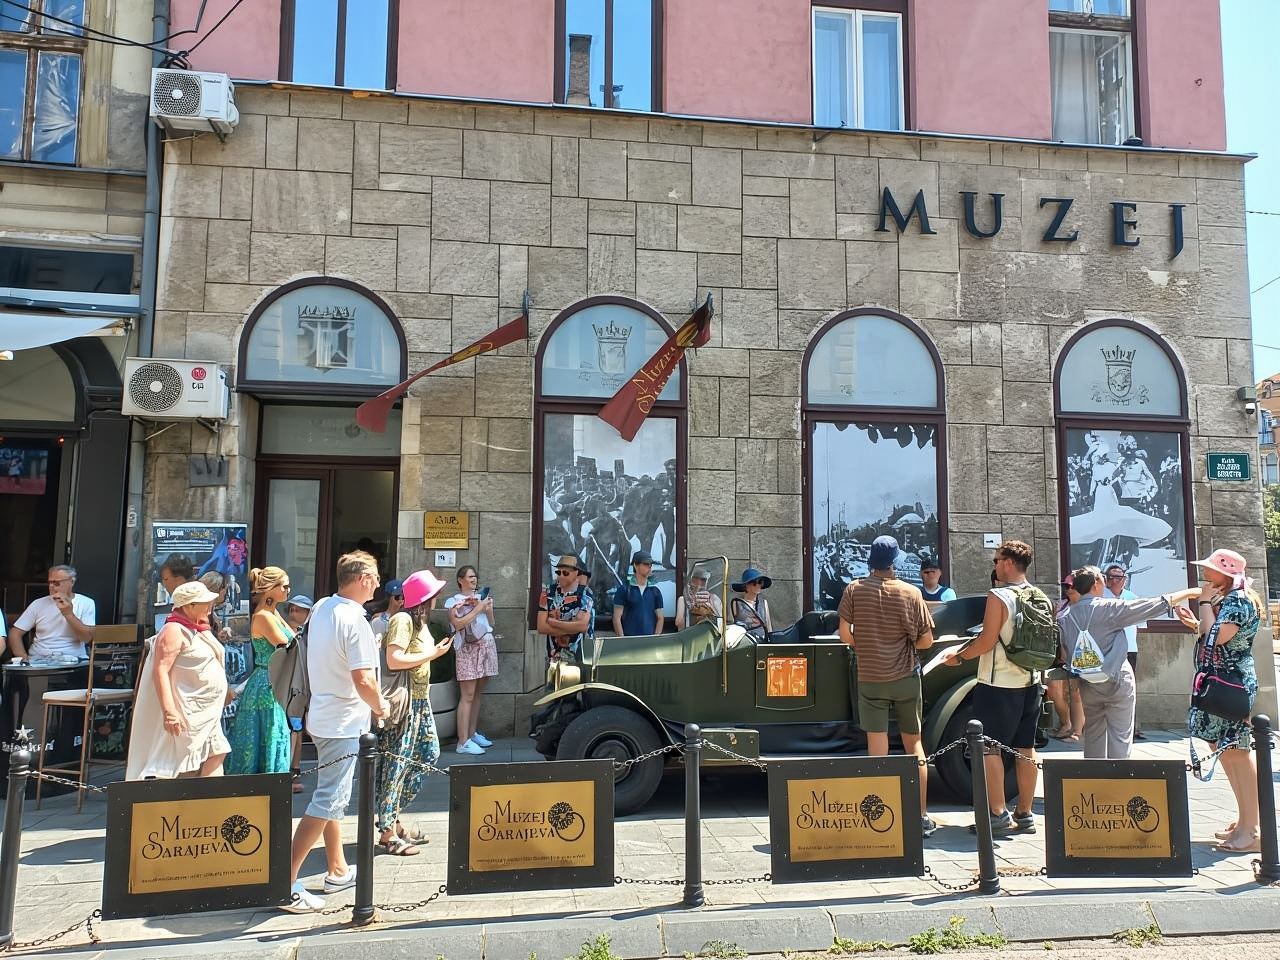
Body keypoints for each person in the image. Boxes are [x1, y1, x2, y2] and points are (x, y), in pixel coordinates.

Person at [285, 550, 388, 913]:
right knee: (328, 798)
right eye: (374, 576)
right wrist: (380, 705)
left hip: (324, 715)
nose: (377, 582)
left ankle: (337, 868)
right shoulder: (355, 621)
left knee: (331, 795)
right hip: (344, 719)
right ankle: (286, 881)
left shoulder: (323, 607)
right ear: (361, 579)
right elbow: (363, 679)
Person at [837, 536, 937, 836]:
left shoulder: (854, 590)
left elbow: (844, 634)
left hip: (871, 678)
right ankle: (920, 817)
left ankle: (878, 815)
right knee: (914, 746)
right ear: (894, 561)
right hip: (905, 677)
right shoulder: (911, 592)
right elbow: (926, 640)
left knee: (877, 749)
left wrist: (866, 645)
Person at [945, 541, 1043, 836]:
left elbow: (987, 641)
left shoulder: (998, 596)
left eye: (998, 560)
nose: (995, 565)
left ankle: (997, 815)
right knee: (1026, 747)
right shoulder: (1039, 596)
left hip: (999, 682)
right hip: (1032, 681)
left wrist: (958, 656)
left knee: (989, 747)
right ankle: (1025, 814)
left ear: (1010, 563)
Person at [1176, 548, 1264, 853]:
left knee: (1236, 752)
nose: (1205, 573)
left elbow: (1219, 636)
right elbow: (1212, 633)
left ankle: (1252, 830)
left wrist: (1202, 602)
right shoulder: (1229, 599)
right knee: (1225, 750)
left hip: (1230, 683)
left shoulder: (1238, 600)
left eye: (1210, 569)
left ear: (1226, 574)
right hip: (1222, 682)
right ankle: (1244, 822)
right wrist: (1196, 619)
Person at [1060, 566, 1197, 760]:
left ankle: (1093, 781)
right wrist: (1191, 592)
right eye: (1103, 579)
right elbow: (1152, 605)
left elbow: (1064, 652)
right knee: (1120, 736)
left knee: (1093, 734)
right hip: (1116, 678)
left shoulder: (1066, 616)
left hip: (1087, 681)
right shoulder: (1109, 608)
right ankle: (1118, 781)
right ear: (1096, 584)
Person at [376, 569, 453, 855]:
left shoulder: (420, 623)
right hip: (405, 703)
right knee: (396, 763)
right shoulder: (402, 620)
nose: (438, 598)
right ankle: (388, 830)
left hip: (420, 700)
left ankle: (392, 817)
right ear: (425, 598)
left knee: (427, 754)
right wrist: (433, 655)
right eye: (434, 594)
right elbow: (394, 660)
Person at [127, 581, 230, 780]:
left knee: (216, 753)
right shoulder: (173, 630)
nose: (210, 606)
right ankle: (185, 807)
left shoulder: (199, 629)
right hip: (188, 708)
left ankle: (213, 804)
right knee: (188, 762)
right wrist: (169, 712)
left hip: (206, 710)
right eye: (205, 602)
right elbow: (161, 670)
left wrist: (225, 691)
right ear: (189, 605)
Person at [226, 567, 294, 776]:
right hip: (266, 682)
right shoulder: (263, 616)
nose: (287, 590)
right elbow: (286, 645)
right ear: (270, 588)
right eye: (284, 586)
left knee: (276, 731)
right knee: (270, 731)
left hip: (274, 680)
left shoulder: (273, 614)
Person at [445, 566, 500, 756]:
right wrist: (478, 607)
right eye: (469, 577)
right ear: (460, 580)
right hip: (467, 649)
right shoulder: (453, 602)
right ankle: (462, 741)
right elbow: (458, 624)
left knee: (477, 693)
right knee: (467, 695)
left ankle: (471, 732)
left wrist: (488, 608)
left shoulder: (481, 599)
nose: (473, 580)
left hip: (486, 645)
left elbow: (491, 623)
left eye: (475, 576)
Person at [8, 564, 95, 661]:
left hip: (74, 659)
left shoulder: (86, 602)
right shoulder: (38, 604)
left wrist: (68, 614)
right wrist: (23, 658)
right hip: (39, 659)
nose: (51, 586)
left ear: (72, 582)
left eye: (56, 583)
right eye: (49, 583)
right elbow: (15, 633)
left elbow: (87, 638)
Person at [1103, 564, 1146, 739]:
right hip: (1106, 649)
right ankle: (1106, 726)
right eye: (1111, 577)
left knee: (1128, 688)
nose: (1114, 581)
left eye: (1118, 577)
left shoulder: (1132, 598)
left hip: (1129, 649)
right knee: (1105, 688)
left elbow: (1141, 624)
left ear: (1124, 580)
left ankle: (1131, 727)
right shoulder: (1101, 597)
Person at [1046, 576, 1086, 742]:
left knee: (1076, 693)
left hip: (1078, 653)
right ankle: (1066, 723)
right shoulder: (1062, 604)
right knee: (1054, 691)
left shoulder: (1085, 606)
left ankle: (1076, 732)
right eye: (1066, 586)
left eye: (1072, 586)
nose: (1068, 589)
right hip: (1059, 654)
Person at [282, 593, 314, 793]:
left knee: (297, 731)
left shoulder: (311, 634)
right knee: (292, 731)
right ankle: (288, 776)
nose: (293, 611)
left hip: (303, 690)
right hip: (291, 690)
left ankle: (294, 772)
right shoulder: (285, 632)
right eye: (292, 608)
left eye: (298, 609)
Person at [538, 555, 593, 663]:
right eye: (559, 572)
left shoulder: (585, 594)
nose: (561, 576)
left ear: (577, 573)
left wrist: (552, 622)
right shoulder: (548, 592)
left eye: (566, 573)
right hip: (554, 658)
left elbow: (582, 626)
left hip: (580, 658)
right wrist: (572, 627)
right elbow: (541, 627)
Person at [613, 551, 664, 637]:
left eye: (650, 564)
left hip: (649, 640)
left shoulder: (655, 591)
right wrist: (622, 639)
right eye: (646, 564)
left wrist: (656, 637)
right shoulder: (624, 590)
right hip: (629, 639)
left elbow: (660, 617)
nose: (649, 567)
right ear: (635, 565)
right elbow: (616, 617)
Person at [731, 567, 773, 641]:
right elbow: (730, 625)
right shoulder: (736, 603)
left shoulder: (764, 603)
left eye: (761, 582)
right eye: (757, 582)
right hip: (744, 643)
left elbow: (768, 626)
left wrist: (771, 641)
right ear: (747, 585)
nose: (759, 585)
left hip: (762, 642)